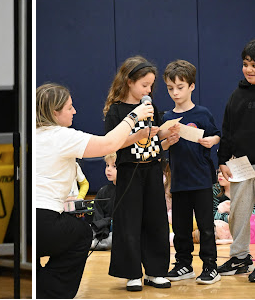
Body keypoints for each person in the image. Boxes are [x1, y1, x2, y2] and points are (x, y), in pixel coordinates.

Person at [36, 82, 156, 298]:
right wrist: (134, 116)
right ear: (55, 113)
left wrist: (136, 138)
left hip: (21, 223)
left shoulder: (32, 135)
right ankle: (50, 291)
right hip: (43, 222)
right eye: (70, 107)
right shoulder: (62, 136)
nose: (75, 111)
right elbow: (108, 144)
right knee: (82, 233)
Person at [103, 56, 181, 291]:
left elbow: (153, 140)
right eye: (144, 85)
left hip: (152, 169)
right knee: (129, 221)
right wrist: (139, 135)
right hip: (129, 172)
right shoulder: (116, 111)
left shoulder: (151, 108)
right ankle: (132, 272)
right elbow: (112, 143)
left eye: (150, 86)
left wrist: (166, 136)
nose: (148, 90)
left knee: (156, 220)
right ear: (129, 82)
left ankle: (156, 271)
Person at [162, 60, 222, 284]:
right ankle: (183, 264)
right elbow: (162, 147)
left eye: (180, 87)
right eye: (170, 88)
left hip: (202, 180)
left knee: (206, 227)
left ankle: (210, 267)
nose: (175, 92)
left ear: (192, 86)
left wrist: (211, 141)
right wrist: (168, 141)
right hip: (179, 181)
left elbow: (217, 134)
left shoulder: (202, 113)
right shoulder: (167, 117)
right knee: (180, 228)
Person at [216, 39, 255, 278]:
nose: (249, 69)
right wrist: (222, 159)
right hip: (241, 163)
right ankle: (240, 258)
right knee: (238, 212)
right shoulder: (237, 95)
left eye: (254, 65)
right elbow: (227, 129)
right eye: (246, 64)